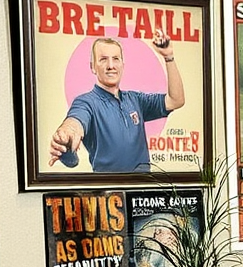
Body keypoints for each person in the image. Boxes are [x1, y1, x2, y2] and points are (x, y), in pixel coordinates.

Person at [48, 34, 184, 174]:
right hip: (109, 189)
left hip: (142, 187)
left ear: (122, 65)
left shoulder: (136, 100)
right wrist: (67, 133)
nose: (111, 66)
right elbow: (75, 122)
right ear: (93, 67)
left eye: (116, 59)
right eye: (103, 59)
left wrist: (169, 57)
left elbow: (176, 100)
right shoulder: (86, 102)